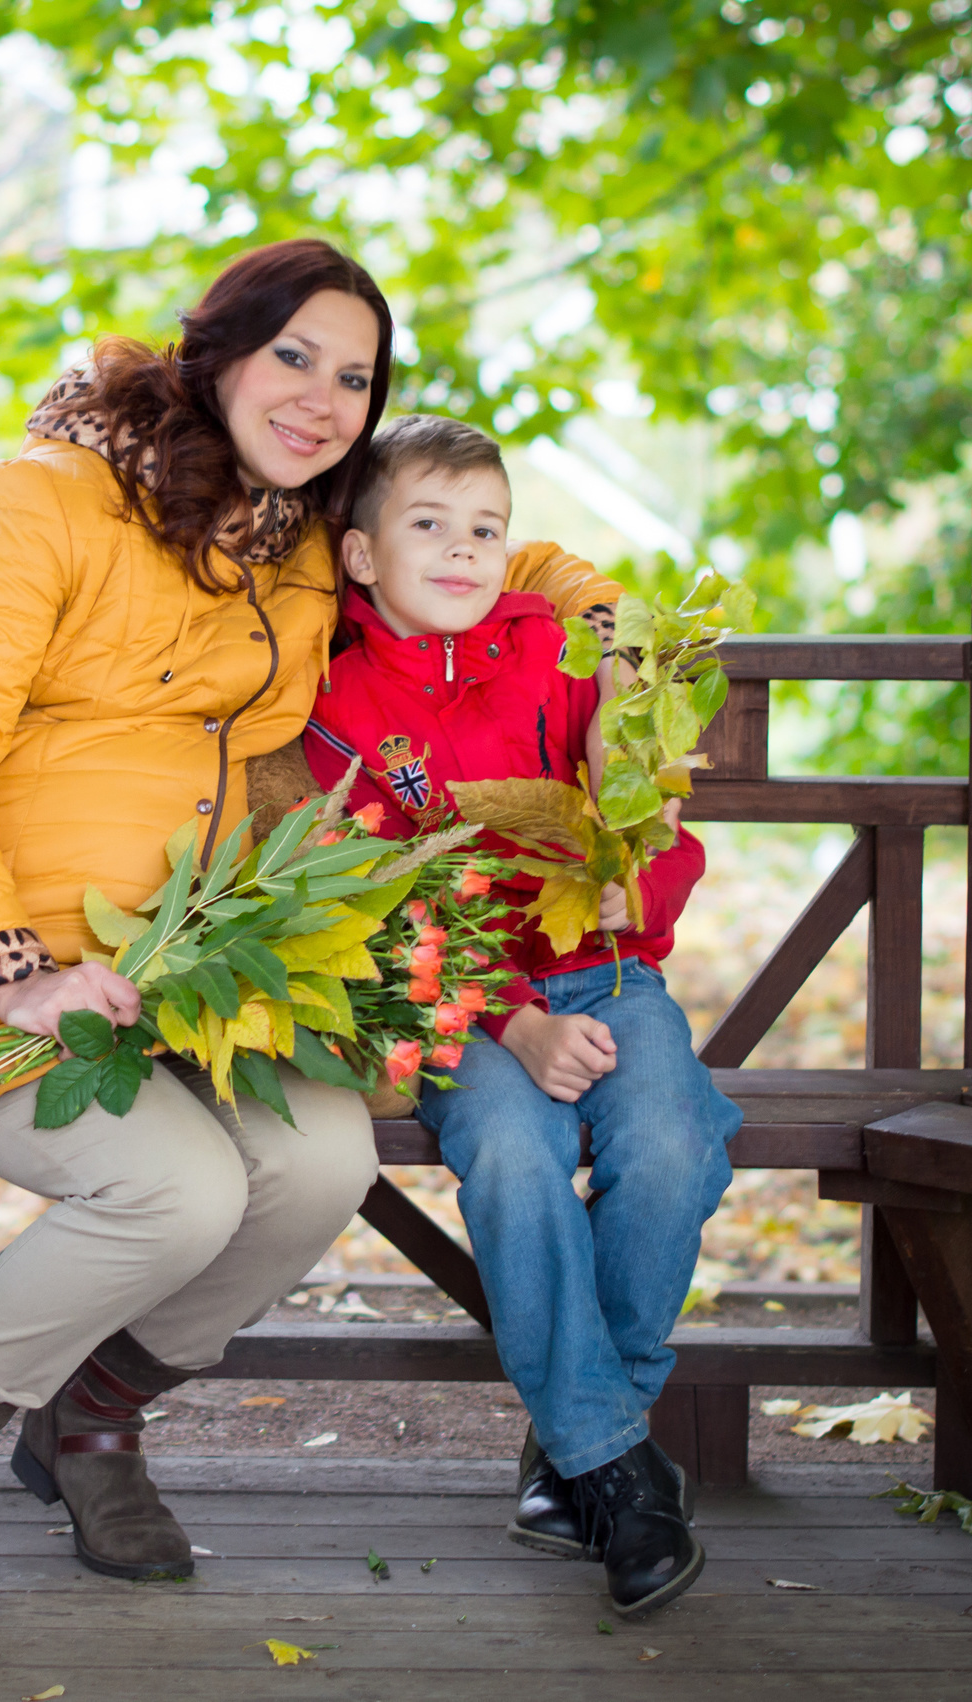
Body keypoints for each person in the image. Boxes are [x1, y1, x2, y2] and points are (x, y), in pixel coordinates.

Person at [0, 242, 621, 1616]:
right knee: (175, 1189)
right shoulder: (39, 506)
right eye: (294, 355)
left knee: (316, 1164)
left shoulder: (303, 538)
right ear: (218, 352)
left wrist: (612, 628)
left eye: (356, 377)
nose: (322, 398)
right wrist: (12, 967)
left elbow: (515, 545)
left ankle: (91, 1418)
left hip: (189, 970)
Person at [300, 414, 740, 1620]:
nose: (459, 551)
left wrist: (627, 881)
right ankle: (615, 1467)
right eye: (426, 525)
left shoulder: (558, 654)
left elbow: (653, 825)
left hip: (604, 974)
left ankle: (579, 1449)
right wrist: (512, 1024)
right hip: (466, 1006)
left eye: (484, 529)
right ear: (359, 555)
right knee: (512, 1152)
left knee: (670, 1142)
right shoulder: (337, 699)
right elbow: (382, 911)